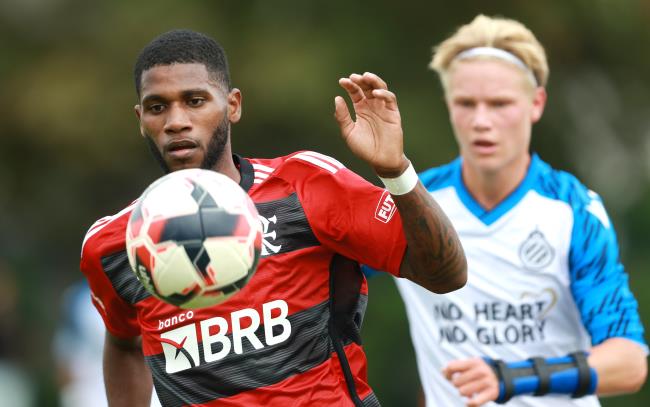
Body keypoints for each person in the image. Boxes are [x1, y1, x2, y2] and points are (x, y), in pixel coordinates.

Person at [79, 29, 467, 407]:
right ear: (140, 118)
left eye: (195, 101)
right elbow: (123, 343)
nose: (175, 121)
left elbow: (446, 275)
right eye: (157, 107)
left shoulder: (306, 186)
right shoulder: (114, 244)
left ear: (232, 105)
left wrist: (397, 172)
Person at [393, 15, 647, 406]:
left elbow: (629, 363)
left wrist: (510, 378)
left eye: (500, 104)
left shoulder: (573, 210)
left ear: (536, 103)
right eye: (466, 103)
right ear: (448, 105)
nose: (481, 121)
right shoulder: (409, 203)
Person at [53, 280, 162, 407]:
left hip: (144, 389)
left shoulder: (149, 288)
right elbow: (65, 353)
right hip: (89, 391)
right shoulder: (77, 299)